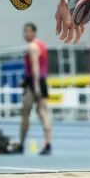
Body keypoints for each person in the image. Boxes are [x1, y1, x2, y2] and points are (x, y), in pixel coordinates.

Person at [19, 22, 52, 155]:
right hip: (42, 81)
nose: (25, 34)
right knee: (42, 112)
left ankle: (21, 144)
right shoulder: (41, 45)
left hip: (33, 82)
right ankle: (48, 144)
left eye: (27, 31)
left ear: (33, 32)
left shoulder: (32, 47)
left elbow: (35, 67)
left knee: (26, 113)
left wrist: (36, 86)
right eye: (24, 31)